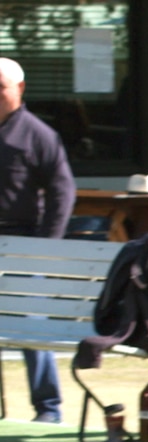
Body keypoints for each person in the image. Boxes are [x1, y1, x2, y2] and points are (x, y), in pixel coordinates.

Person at [0, 57, 75, 423]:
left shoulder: (38, 135)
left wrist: (46, 246)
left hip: (24, 245)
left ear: (20, 90)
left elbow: (63, 193)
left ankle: (48, 409)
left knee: (30, 329)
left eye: (1, 88)